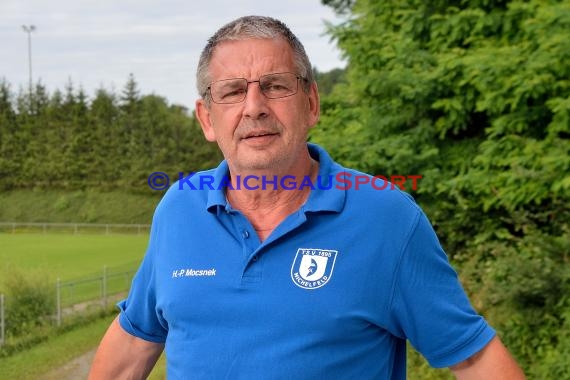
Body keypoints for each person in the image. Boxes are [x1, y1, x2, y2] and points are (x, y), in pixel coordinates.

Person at [88, 15, 525, 379]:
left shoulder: (386, 218)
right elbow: (135, 338)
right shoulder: (179, 208)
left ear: (312, 103)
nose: (254, 106)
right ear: (207, 118)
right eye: (233, 91)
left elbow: (473, 357)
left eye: (276, 86)